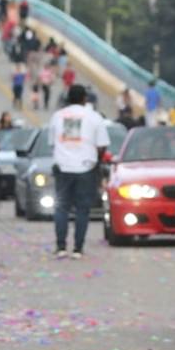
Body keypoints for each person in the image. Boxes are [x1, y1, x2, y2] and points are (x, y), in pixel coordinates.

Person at [50, 84, 110, 259]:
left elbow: (52, 143)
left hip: (63, 167)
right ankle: (78, 248)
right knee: (82, 209)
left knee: (61, 207)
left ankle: (61, 246)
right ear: (85, 98)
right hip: (86, 168)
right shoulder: (94, 117)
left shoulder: (57, 117)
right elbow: (102, 145)